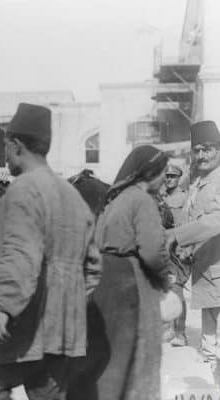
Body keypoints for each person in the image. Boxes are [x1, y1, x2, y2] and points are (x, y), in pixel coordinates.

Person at [0, 104, 101, 400]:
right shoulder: (73, 196)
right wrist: (69, 305)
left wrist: (2, 307)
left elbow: (20, 255)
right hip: (61, 329)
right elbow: (93, 269)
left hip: (20, 325)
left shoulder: (23, 190)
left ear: (15, 145)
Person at [72, 145, 171, 400]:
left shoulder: (115, 199)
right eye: (163, 173)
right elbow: (152, 251)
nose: (164, 179)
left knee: (107, 360)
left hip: (104, 282)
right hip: (129, 282)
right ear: (151, 173)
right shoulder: (142, 200)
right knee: (132, 360)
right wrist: (163, 279)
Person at [168, 120, 220, 397]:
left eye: (209, 149)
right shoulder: (198, 183)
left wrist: (178, 236)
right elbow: (195, 222)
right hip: (207, 278)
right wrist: (184, 247)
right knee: (211, 348)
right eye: (197, 150)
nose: (203, 155)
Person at [160, 164, 189, 347]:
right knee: (165, 289)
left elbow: (189, 226)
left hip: (179, 250)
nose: (168, 179)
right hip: (163, 251)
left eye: (172, 176)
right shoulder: (162, 198)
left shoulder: (185, 198)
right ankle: (169, 328)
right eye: (166, 176)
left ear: (179, 178)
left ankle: (180, 333)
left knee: (177, 290)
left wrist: (186, 249)